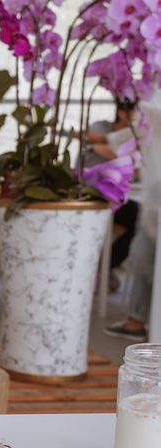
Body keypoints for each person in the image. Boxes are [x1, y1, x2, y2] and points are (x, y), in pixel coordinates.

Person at [104, 92, 161, 341]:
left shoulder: (148, 115)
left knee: (143, 257)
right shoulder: (148, 117)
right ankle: (136, 320)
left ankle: (137, 320)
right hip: (151, 198)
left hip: (151, 196)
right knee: (142, 257)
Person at [84, 98, 143, 291]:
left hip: (114, 199)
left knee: (141, 220)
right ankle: (97, 269)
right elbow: (104, 147)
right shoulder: (102, 128)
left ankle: (103, 267)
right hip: (91, 197)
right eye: (137, 111)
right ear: (122, 111)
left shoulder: (135, 136)